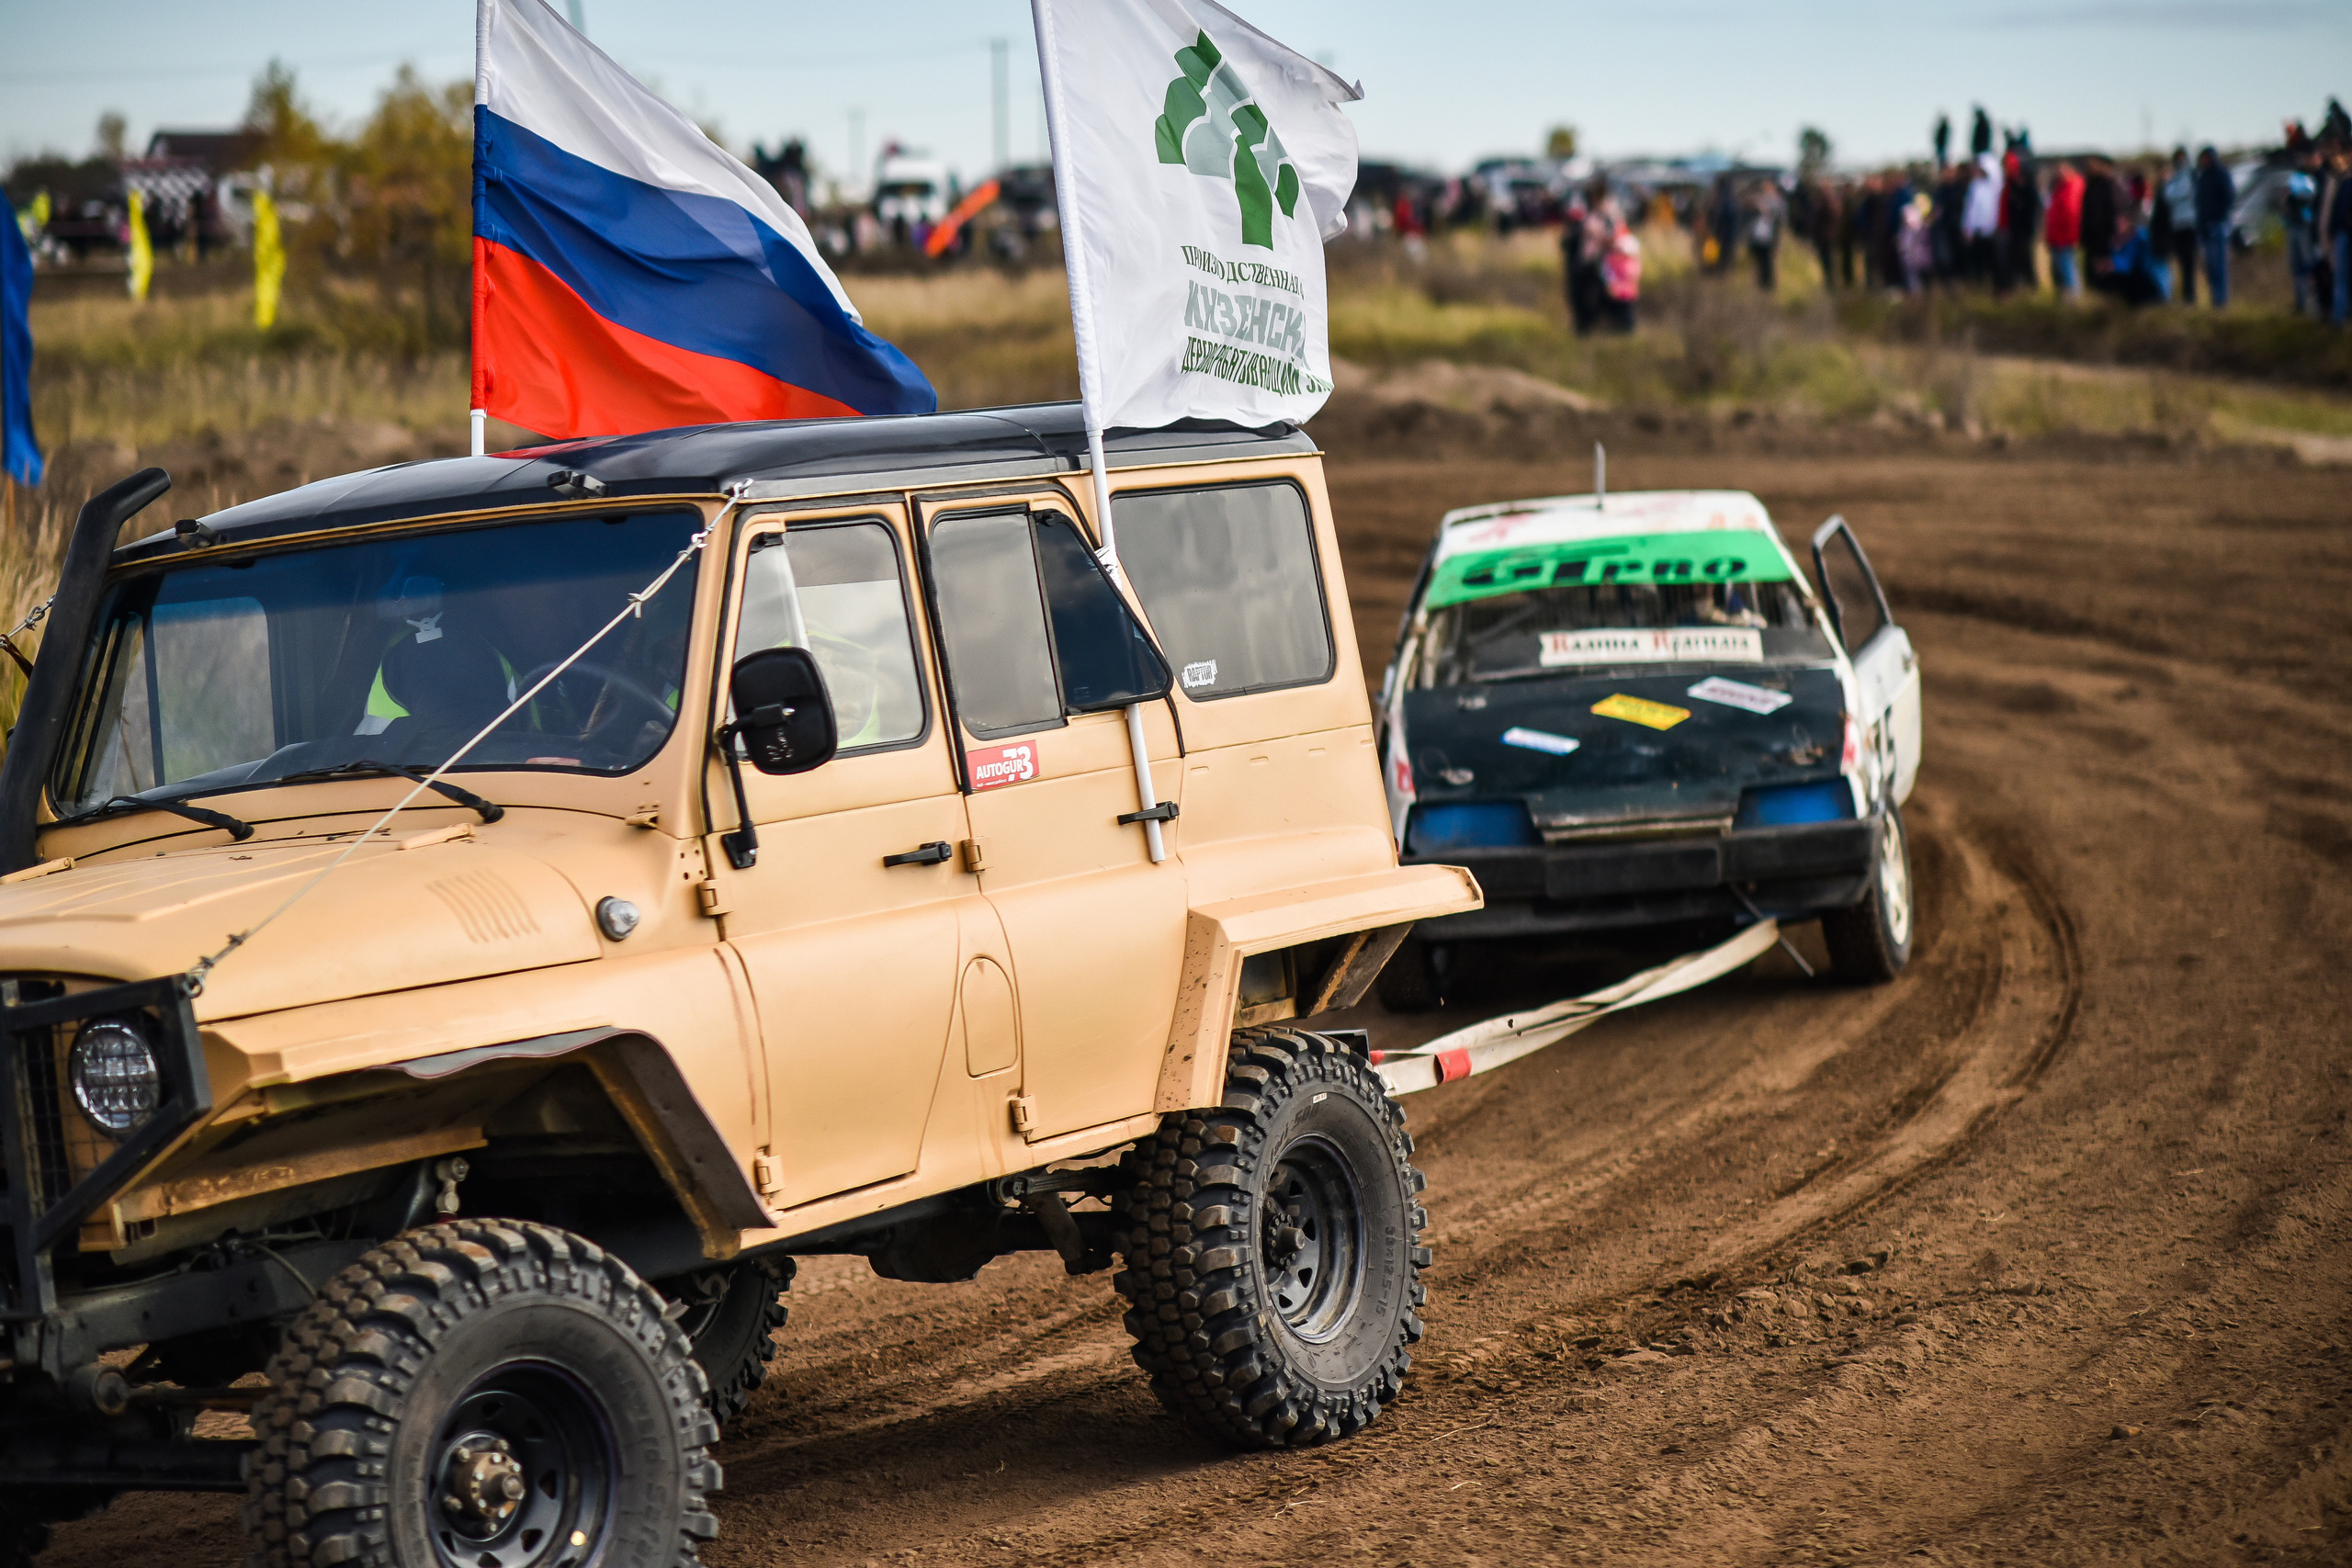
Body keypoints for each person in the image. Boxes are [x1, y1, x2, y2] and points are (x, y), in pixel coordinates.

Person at [2154, 149, 2198, 305]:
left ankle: (2190, 298)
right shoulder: (2174, 178)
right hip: (2177, 225)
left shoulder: (2190, 175)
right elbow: (2169, 195)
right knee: (2180, 263)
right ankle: (2184, 298)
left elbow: (2179, 193)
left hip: (2190, 224)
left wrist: (2175, 194)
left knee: (2189, 264)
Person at [2283, 146, 2323, 317]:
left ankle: (2313, 305)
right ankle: (2301, 304)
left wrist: (2295, 199)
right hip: (2293, 225)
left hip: (2305, 226)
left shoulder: (2313, 177)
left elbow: (2310, 198)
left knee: (2308, 265)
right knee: (2297, 266)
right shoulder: (2295, 177)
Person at [2193, 146, 2234, 307]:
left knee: (2219, 266)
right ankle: (2215, 300)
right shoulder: (2202, 176)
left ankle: (2221, 302)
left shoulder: (2221, 174)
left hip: (2218, 225)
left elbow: (2229, 197)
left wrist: (2218, 215)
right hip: (2205, 227)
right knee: (2210, 266)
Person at [1961, 152, 2001, 288]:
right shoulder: (1975, 186)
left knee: (1995, 261)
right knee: (1979, 262)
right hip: (1978, 231)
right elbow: (1970, 210)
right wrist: (1968, 228)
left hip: (1994, 230)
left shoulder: (1997, 186)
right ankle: (1980, 286)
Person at [2045, 160, 2085, 298]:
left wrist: (2073, 236)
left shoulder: (2072, 187)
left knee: (2068, 266)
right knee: (2062, 267)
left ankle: (2073, 296)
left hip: (2065, 237)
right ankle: (2068, 294)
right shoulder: (2060, 187)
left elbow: (2072, 214)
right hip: (2058, 236)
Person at [2080, 156, 2120, 288]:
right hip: (2092, 235)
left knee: (2103, 266)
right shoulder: (2090, 186)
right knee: (2091, 267)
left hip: (2103, 235)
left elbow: (2111, 211)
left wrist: (2111, 232)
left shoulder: (2107, 185)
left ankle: (2104, 290)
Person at [1747, 178, 1784, 292]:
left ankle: (1768, 285)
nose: (1766, 189)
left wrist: (1763, 208)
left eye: (1768, 187)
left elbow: (1777, 217)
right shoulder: (1762, 199)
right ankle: (1762, 283)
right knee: (1760, 260)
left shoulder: (1777, 201)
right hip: (1758, 235)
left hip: (1768, 236)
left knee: (1767, 261)